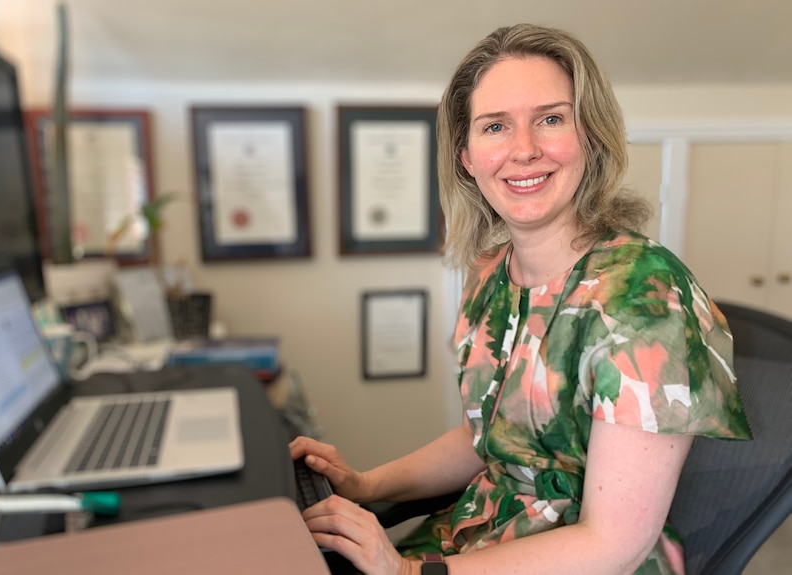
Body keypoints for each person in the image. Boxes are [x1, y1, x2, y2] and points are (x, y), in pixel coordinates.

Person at [290, 23, 751, 575]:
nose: (524, 150)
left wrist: (411, 573)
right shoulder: (489, 273)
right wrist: (366, 484)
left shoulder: (643, 296)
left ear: (592, 136)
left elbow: (614, 542)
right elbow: (485, 437)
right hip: (483, 538)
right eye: (495, 127)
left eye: (551, 119)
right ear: (466, 155)